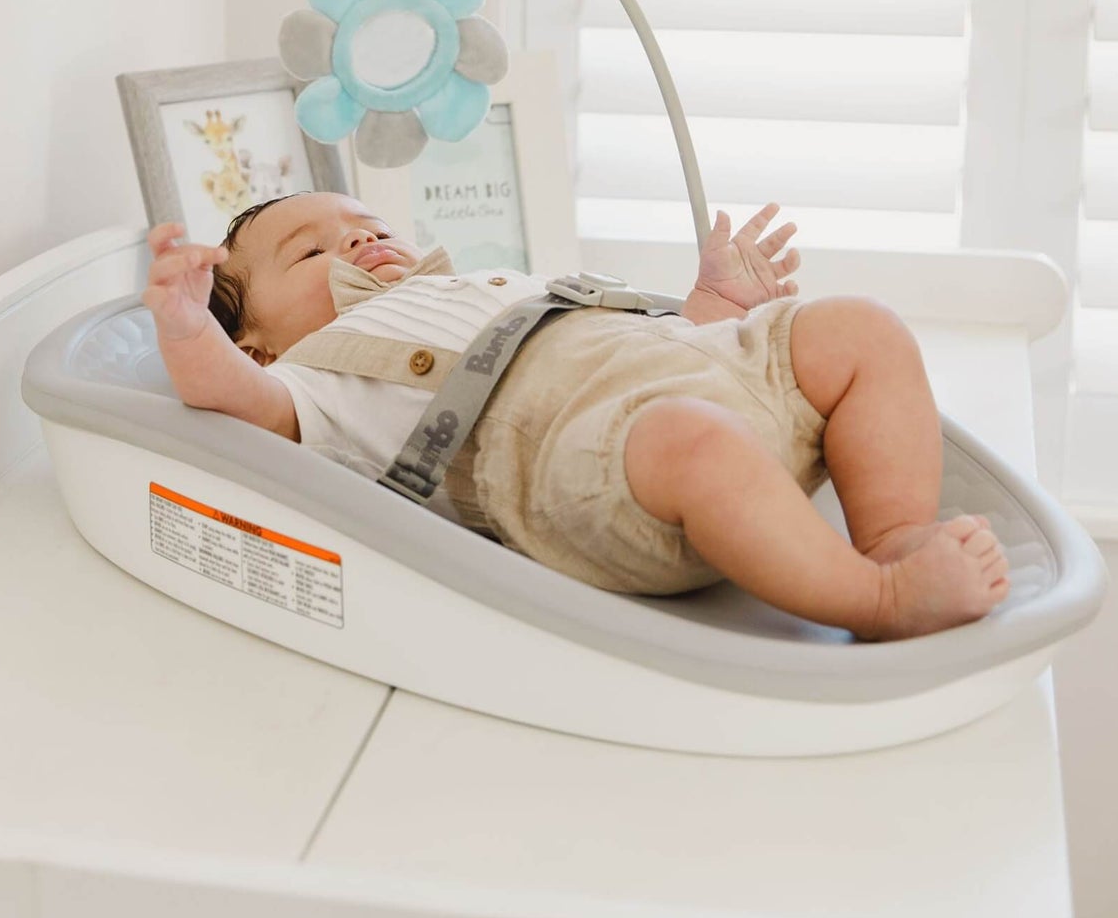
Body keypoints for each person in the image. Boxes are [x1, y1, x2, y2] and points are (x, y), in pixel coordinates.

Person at [143, 190, 1009, 641]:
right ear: (257, 344)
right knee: (690, 438)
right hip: (589, 467)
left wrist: (714, 307)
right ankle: (878, 599)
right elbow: (237, 401)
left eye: (366, 224)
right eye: (311, 251)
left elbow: (634, 345)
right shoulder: (312, 375)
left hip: (692, 374)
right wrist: (187, 328)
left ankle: (892, 534)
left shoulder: (478, 281)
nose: (358, 242)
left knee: (861, 327)